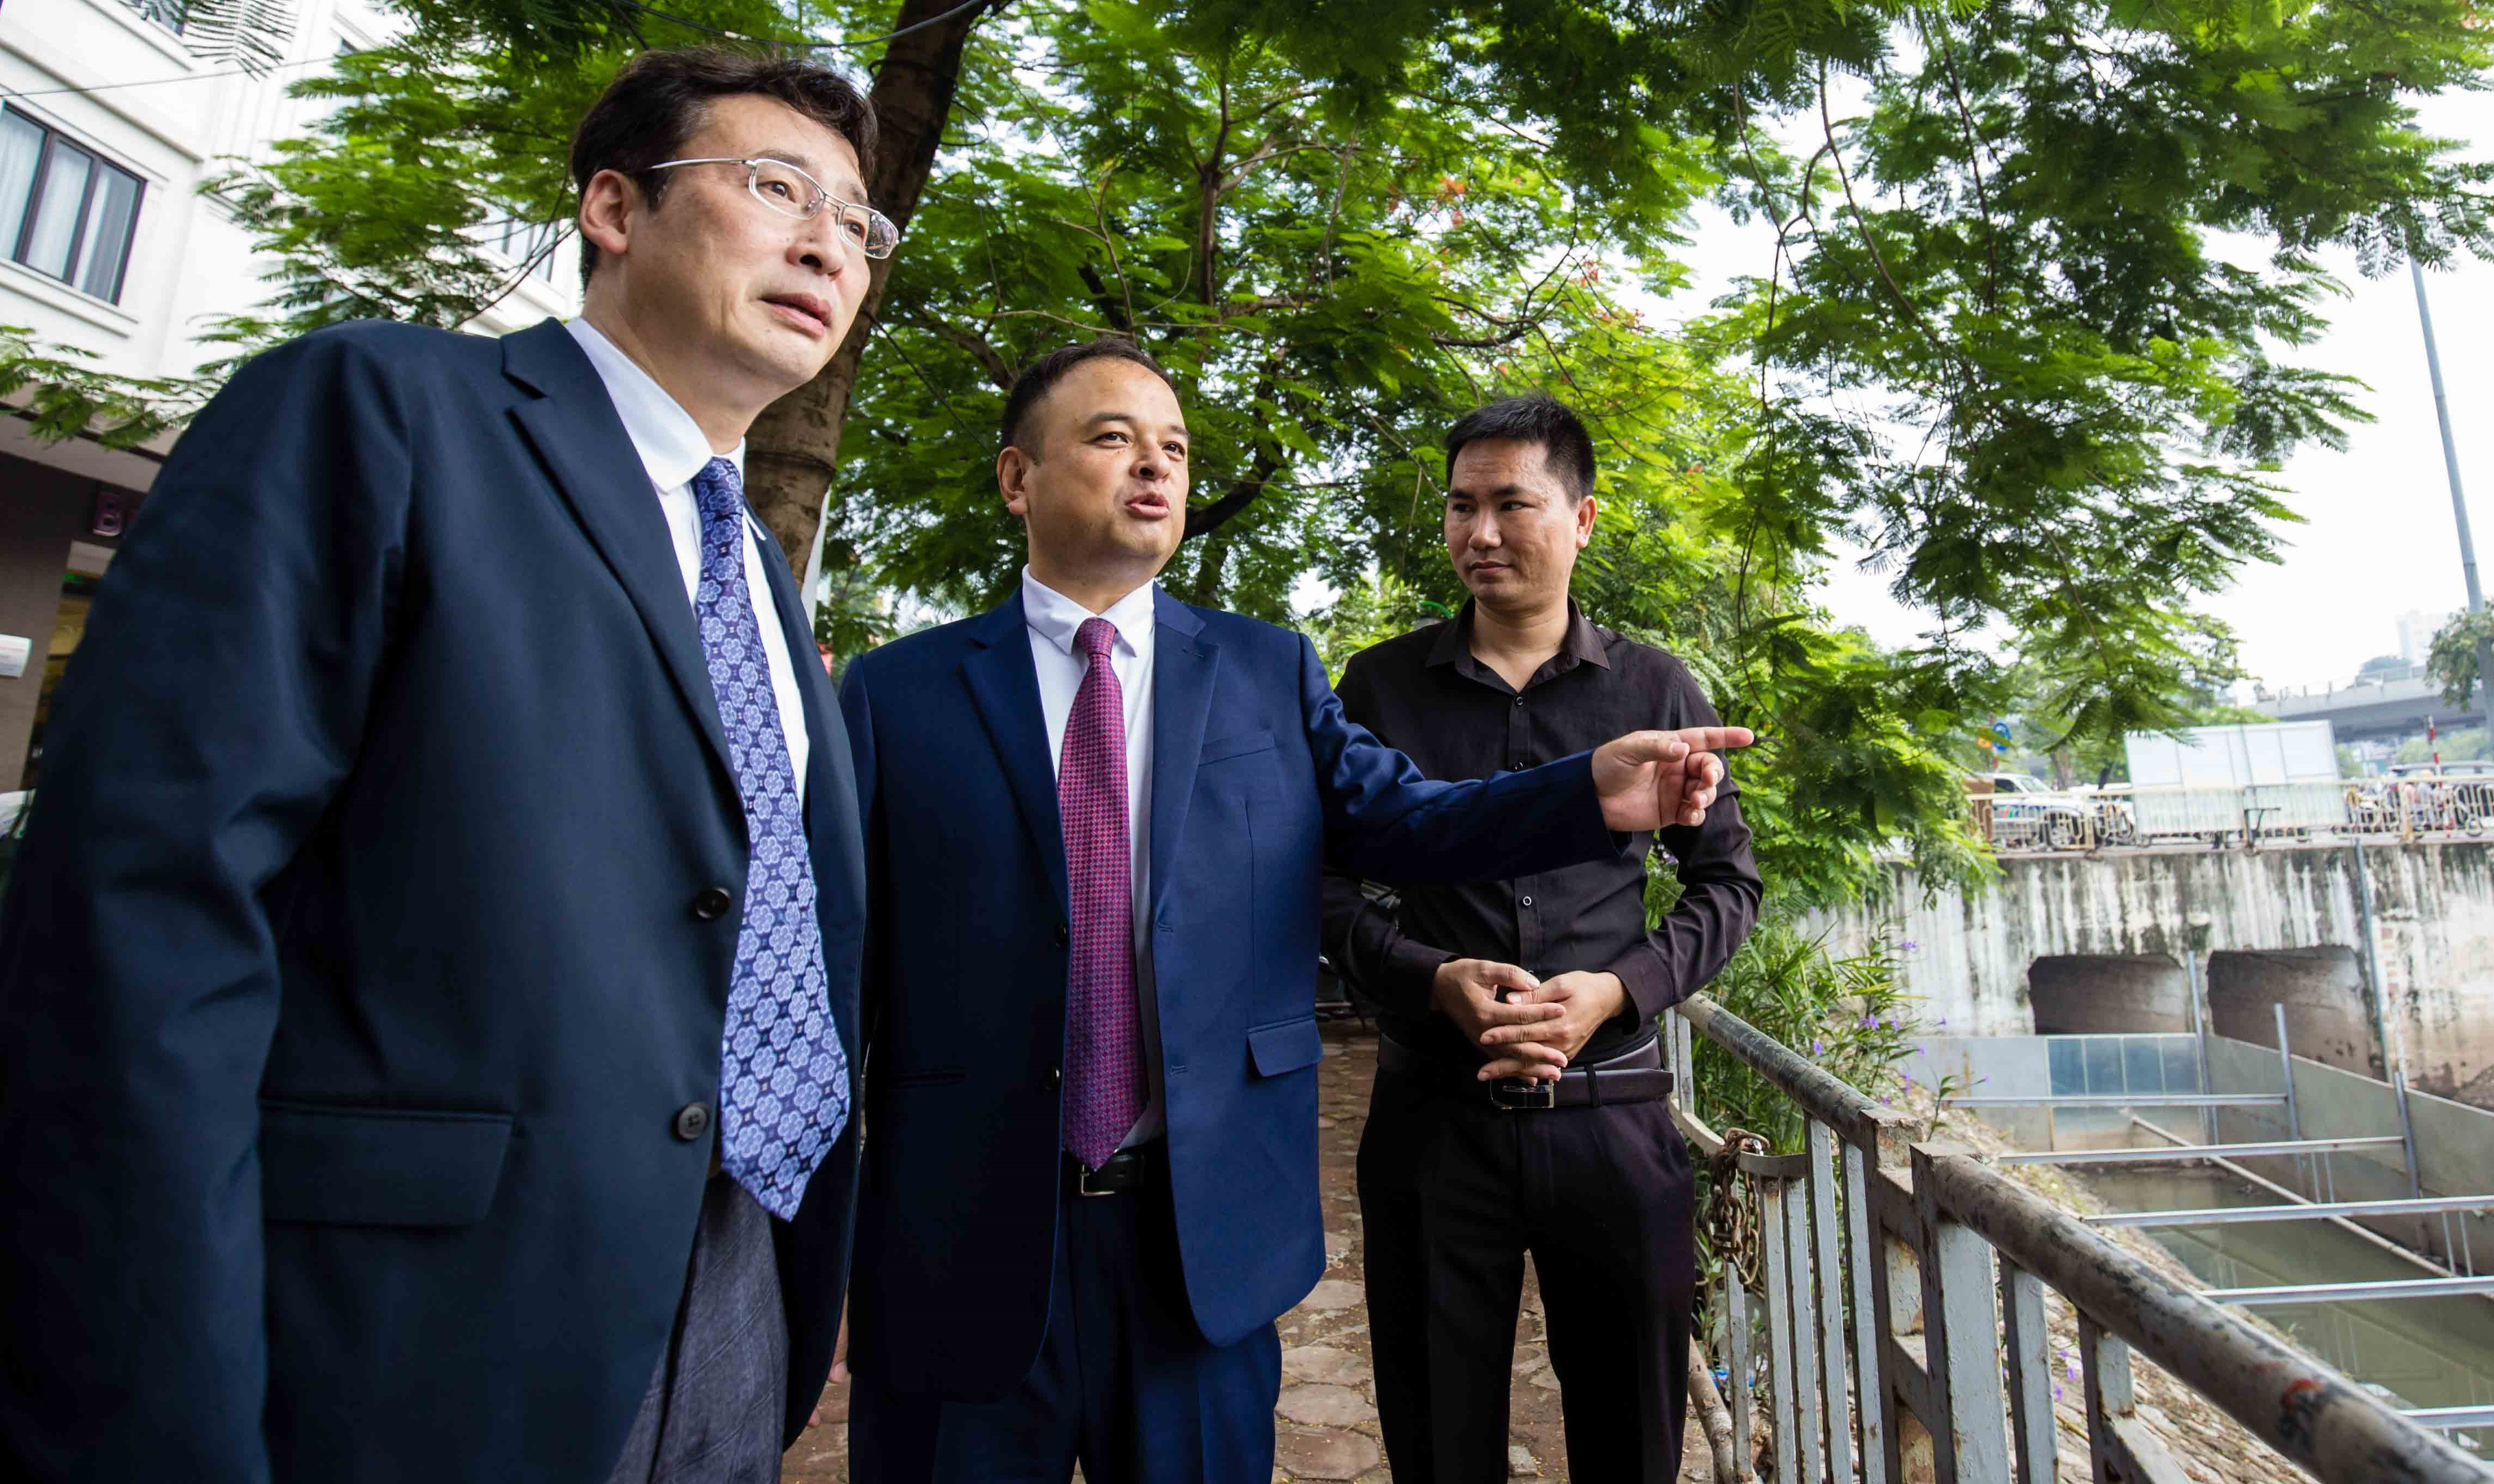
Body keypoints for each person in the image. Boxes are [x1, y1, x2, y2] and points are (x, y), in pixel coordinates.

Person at [0, 47, 897, 1483]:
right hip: (412, 1323)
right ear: (615, 207)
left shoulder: (764, 583)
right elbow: (144, 922)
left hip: (734, 1293)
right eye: (776, 186)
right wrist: (151, 1406)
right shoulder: (380, 409)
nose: (826, 244)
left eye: (857, 221)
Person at [835, 341, 1752, 1483]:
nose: (1154, 467)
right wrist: (817, 1248)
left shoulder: (1265, 670)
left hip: (1199, 1238)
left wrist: (1583, 794)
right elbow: (839, 975)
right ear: (1017, 478)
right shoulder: (895, 694)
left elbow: (1406, 821)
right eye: (1114, 438)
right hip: (965, 1236)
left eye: (1174, 448)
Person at [1321, 394, 1763, 1482]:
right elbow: (1317, 888)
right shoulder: (1377, 686)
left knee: (1633, 1440)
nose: (1479, 533)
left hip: (1612, 1113)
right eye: (1460, 506)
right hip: (1433, 1115)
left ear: (1581, 518)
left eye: (1511, 505)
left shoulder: (1652, 687)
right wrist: (1430, 978)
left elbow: (1725, 884)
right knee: (1437, 1438)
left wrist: (1615, 990)